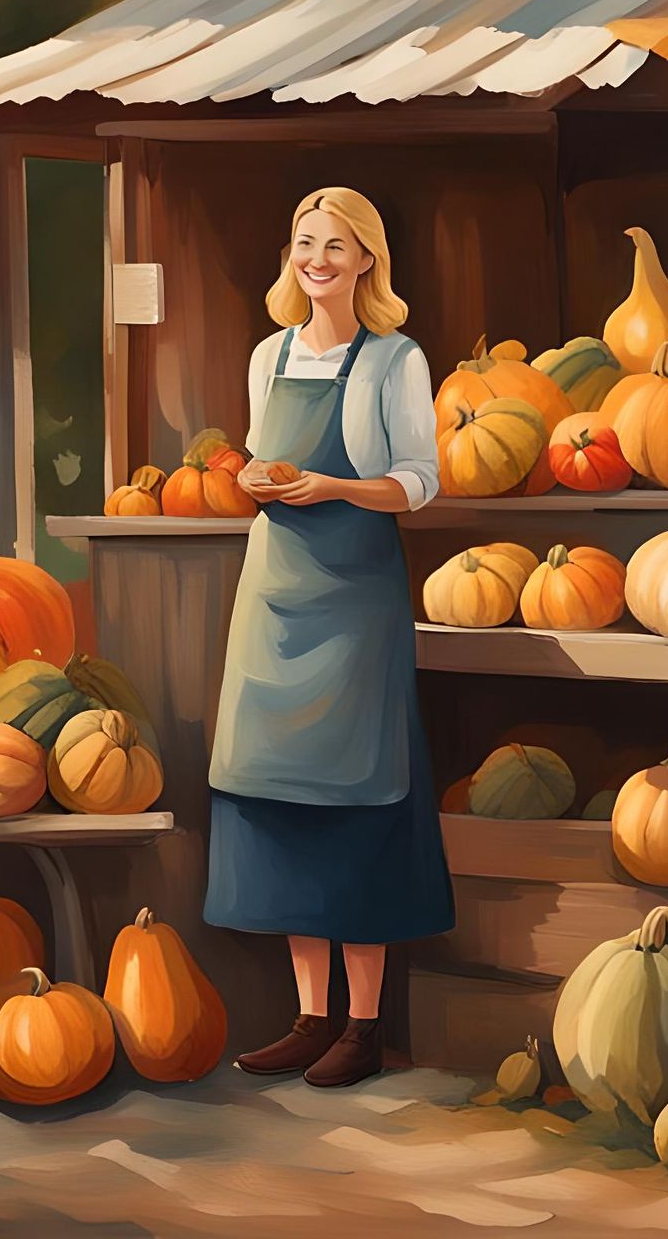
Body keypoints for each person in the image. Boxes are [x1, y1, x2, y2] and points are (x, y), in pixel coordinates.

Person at [204, 186, 454, 1088]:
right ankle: (311, 1018)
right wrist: (256, 481)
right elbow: (254, 459)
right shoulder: (267, 355)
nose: (316, 259)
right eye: (304, 242)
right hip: (274, 597)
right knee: (281, 801)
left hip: (356, 603)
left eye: (336, 245)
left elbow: (419, 480)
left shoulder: (395, 360)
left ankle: (364, 1026)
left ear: (367, 261)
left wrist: (335, 488)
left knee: (356, 800)